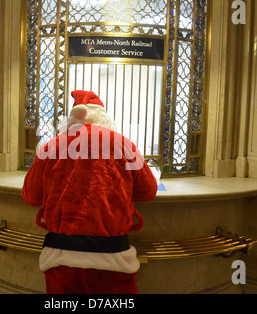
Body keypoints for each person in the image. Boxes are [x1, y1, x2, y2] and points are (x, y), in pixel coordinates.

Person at [22, 90, 157, 294]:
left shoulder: (51, 146)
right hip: (114, 258)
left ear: (72, 119)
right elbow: (148, 191)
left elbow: (31, 196)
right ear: (104, 118)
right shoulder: (124, 145)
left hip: (60, 258)